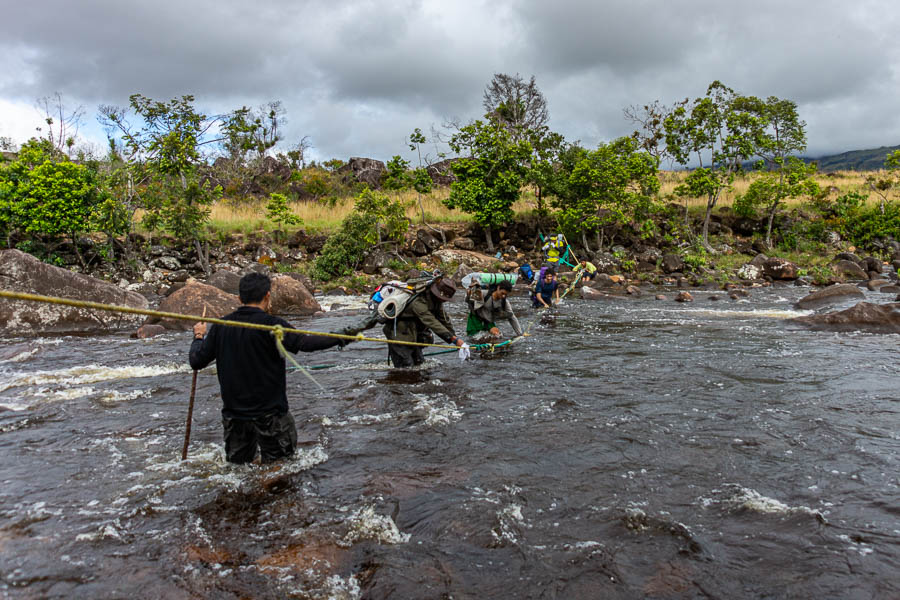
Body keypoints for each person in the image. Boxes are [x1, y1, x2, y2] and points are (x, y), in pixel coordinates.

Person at [189, 272, 346, 465]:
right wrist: (340, 337)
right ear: (267, 296)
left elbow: (196, 361)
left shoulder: (222, 326)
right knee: (283, 468)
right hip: (271, 416)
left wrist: (198, 336)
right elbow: (305, 343)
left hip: (235, 417)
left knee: (238, 470)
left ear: (239, 298)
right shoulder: (272, 325)